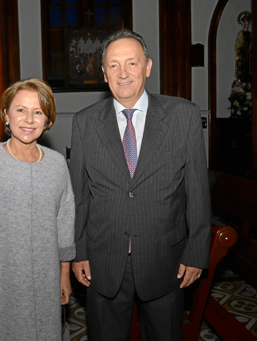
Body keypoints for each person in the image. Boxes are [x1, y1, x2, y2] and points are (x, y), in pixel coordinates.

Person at [69, 29, 211, 341]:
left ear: (147, 67)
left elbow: (197, 190)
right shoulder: (84, 123)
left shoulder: (183, 115)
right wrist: (78, 251)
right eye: (114, 65)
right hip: (103, 260)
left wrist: (197, 252)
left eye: (131, 63)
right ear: (104, 74)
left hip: (166, 260)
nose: (123, 74)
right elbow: (79, 196)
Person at [0, 78, 75, 340]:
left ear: (47, 119)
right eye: (20, 110)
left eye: (38, 112)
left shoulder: (57, 165)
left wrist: (64, 275)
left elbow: (64, 225)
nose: (29, 119)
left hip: (43, 280)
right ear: (6, 115)